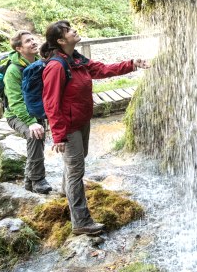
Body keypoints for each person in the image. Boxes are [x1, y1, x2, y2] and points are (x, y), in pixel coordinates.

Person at [40, 20, 149, 236]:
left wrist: (132, 63)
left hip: (82, 120)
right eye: (70, 30)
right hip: (69, 126)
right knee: (75, 171)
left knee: (78, 162)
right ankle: (81, 221)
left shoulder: (76, 59)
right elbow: (50, 103)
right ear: (61, 40)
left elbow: (102, 69)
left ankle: (66, 192)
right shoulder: (56, 66)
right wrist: (59, 136)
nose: (75, 30)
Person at [3, 31, 52, 194]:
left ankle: (28, 183)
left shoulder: (40, 62)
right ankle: (38, 180)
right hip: (16, 115)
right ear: (19, 48)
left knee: (38, 139)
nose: (33, 42)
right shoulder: (13, 70)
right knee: (35, 135)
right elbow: (15, 102)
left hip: (36, 111)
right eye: (28, 41)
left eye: (33, 39)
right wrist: (31, 122)